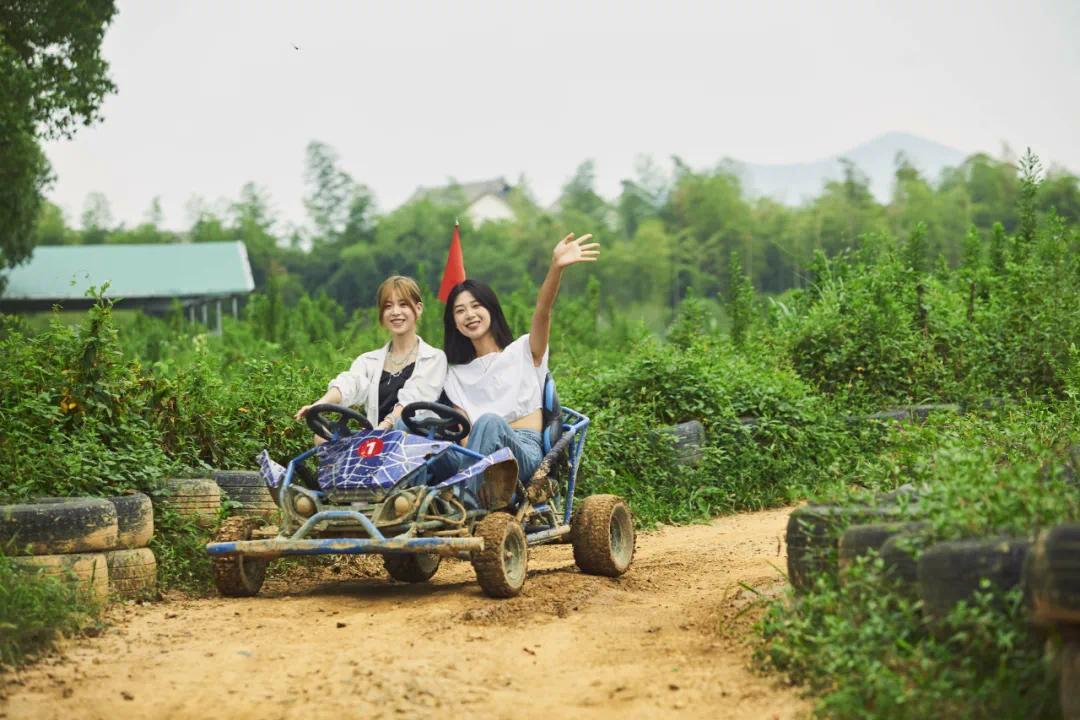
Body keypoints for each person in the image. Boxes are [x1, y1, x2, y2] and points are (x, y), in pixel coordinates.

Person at [442, 232, 599, 481]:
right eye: (460, 311)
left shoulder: (524, 350)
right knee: (423, 445)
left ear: (491, 309)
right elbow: (464, 434)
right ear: (455, 323)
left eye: (475, 306)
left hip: (523, 451)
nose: (469, 315)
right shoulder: (455, 373)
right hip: (475, 454)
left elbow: (542, 311)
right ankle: (401, 512)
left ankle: (461, 505)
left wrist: (556, 268)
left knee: (489, 422)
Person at [294, 276, 447, 442]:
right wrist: (319, 405)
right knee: (322, 437)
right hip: (376, 443)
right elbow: (350, 384)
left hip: (413, 445)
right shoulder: (368, 361)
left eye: (403, 305)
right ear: (381, 313)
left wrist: (382, 428)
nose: (396, 312)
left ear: (418, 309)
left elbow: (413, 400)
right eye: (388, 306)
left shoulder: (434, 358)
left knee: (403, 425)